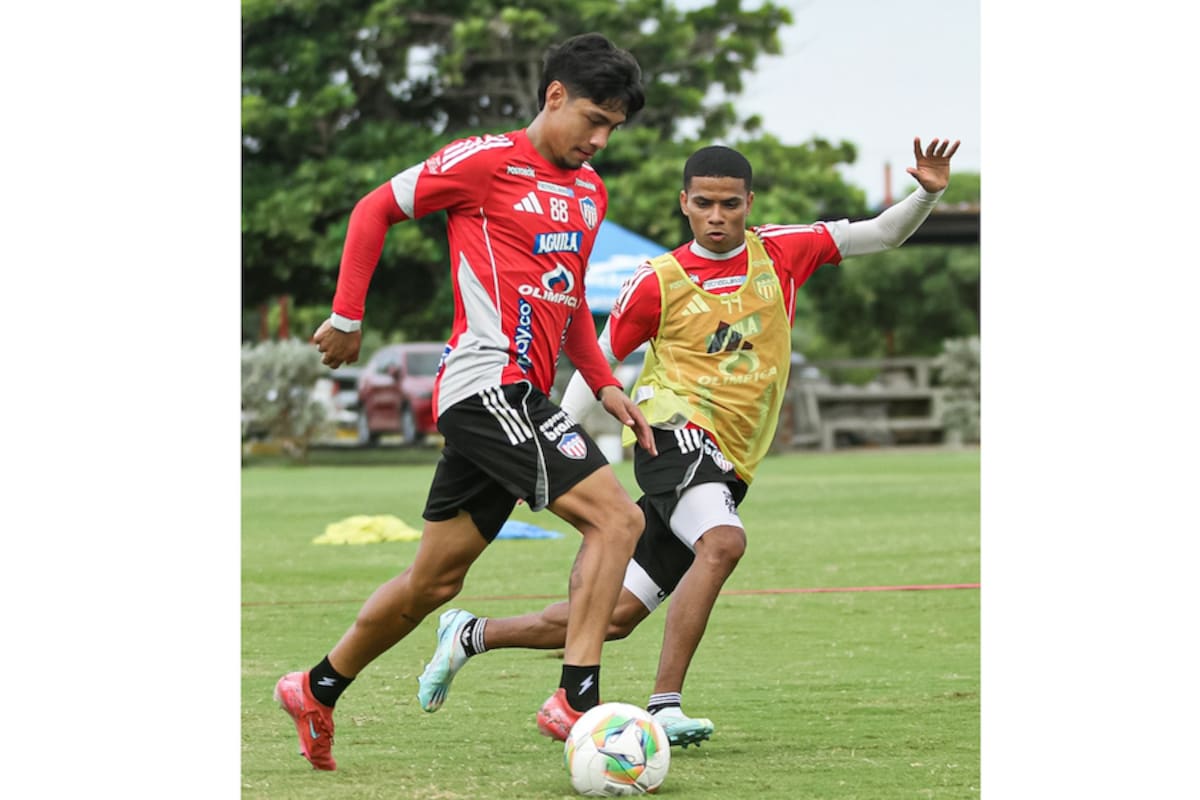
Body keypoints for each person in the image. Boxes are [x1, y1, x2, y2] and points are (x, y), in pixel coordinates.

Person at [414, 137, 961, 747]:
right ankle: (665, 704)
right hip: (671, 434)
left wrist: (927, 193)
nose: (718, 216)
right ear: (685, 203)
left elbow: (882, 234)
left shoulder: (782, 251)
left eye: (731, 204)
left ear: (749, 202)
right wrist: (550, 453)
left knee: (616, 617)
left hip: (732, 460)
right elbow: (596, 364)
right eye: (704, 204)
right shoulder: (658, 282)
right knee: (723, 543)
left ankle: (470, 633)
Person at [274, 33, 659, 771]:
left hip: (518, 396)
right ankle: (576, 697)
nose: (602, 139)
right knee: (619, 518)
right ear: (554, 96)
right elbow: (373, 209)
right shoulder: (483, 162)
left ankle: (317, 686)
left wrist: (606, 383)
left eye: (614, 127)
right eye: (594, 119)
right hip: (487, 384)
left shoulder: (589, 191)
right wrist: (348, 316)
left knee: (434, 582)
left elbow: (569, 298)